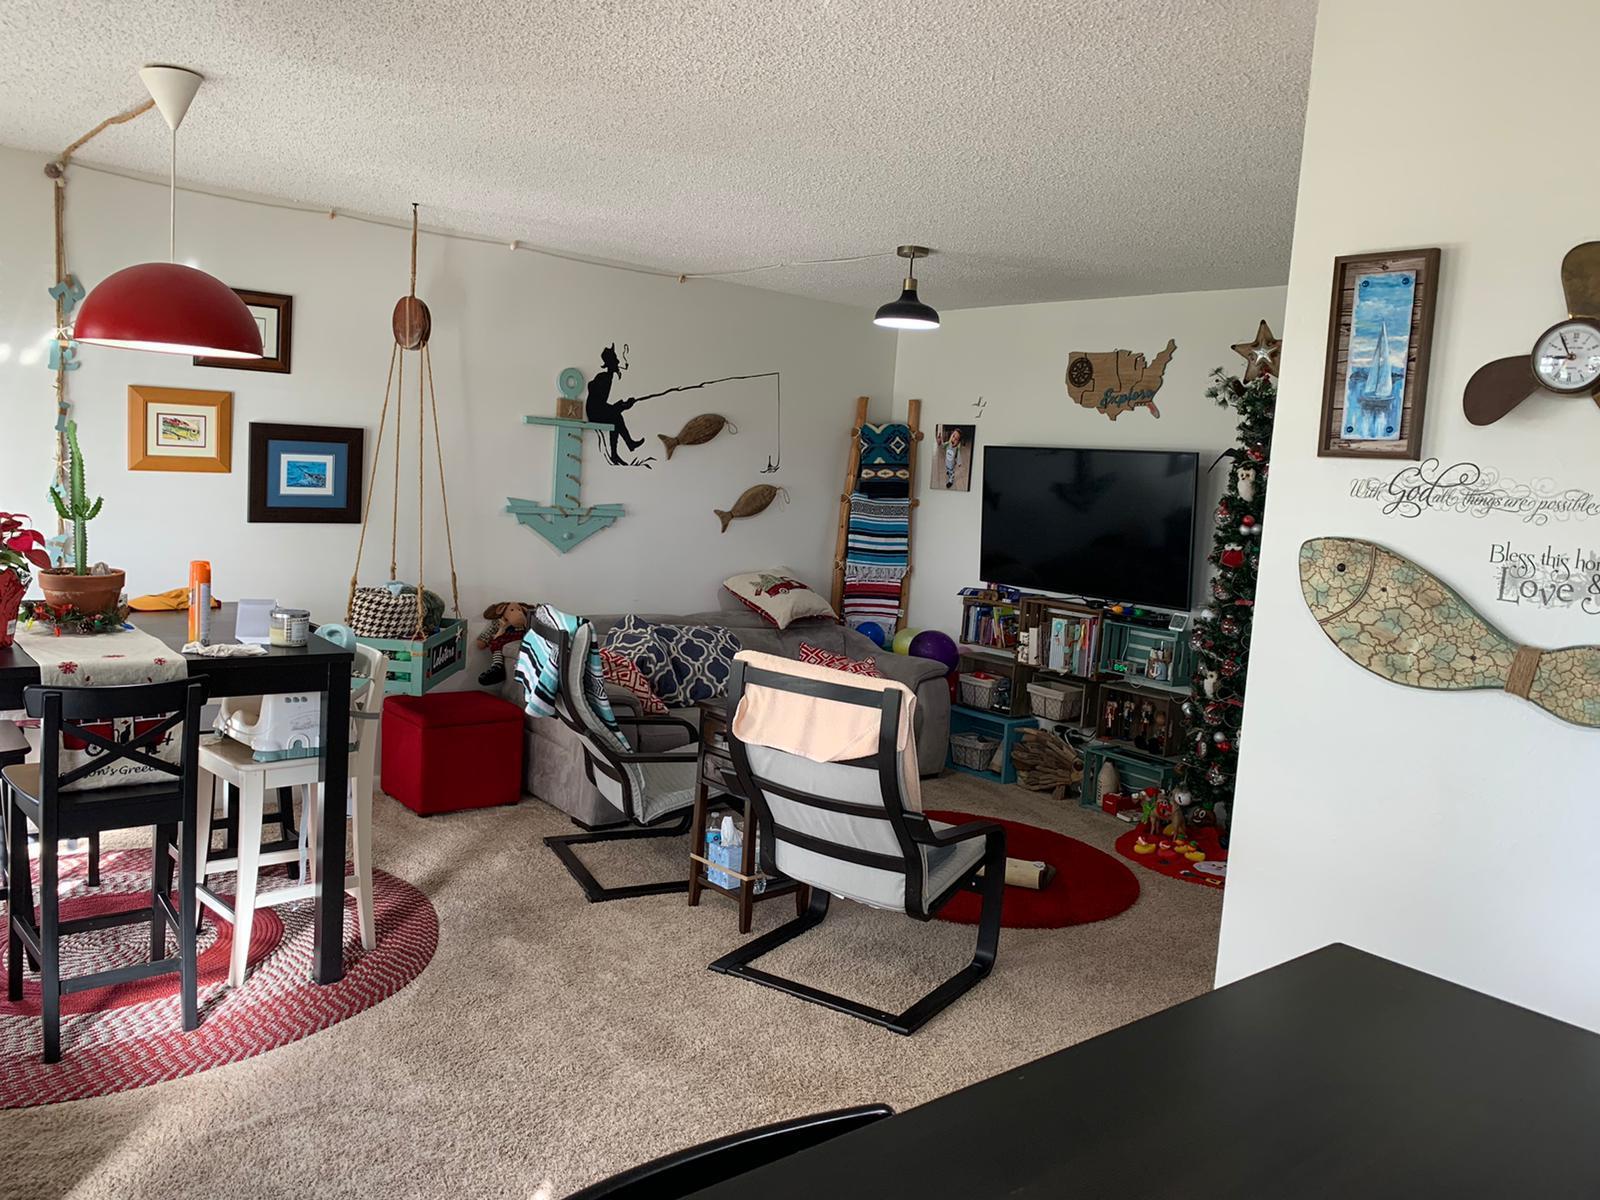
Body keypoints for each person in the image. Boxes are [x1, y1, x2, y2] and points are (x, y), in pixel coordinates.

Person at [585, 344, 645, 463]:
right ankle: (626, 445)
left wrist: (621, 406)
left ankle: (618, 452)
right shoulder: (604, 378)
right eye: (615, 359)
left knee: (616, 418)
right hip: (594, 413)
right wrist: (622, 406)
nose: (618, 362)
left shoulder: (607, 377)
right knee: (616, 417)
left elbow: (602, 403)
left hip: (598, 409)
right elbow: (598, 403)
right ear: (609, 363)